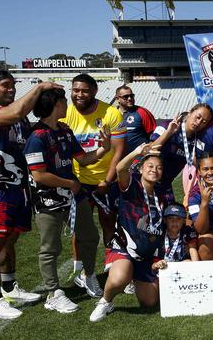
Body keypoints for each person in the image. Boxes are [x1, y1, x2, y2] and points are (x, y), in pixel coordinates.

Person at [24, 88, 111, 312]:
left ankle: (88, 275)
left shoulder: (64, 129)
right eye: (64, 100)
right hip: (48, 199)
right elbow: (39, 175)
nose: (67, 104)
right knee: (50, 247)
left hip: (73, 195)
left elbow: (83, 159)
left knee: (90, 236)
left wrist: (103, 148)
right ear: (55, 104)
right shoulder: (37, 136)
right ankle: (53, 292)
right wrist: (69, 183)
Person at [0, 70, 60, 319]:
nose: (11, 89)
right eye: (5, 85)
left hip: (18, 188)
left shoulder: (21, 118)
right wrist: (40, 88)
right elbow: (15, 112)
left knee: (10, 239)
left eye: (13, 85)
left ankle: (8, 287)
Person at [90, 143, 173, 322]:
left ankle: (136, 277)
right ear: (141, 169)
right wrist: (136, 152)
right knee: (120, 278)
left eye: (158, 168)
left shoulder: (163, 194)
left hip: (148, 255)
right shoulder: (131, 186)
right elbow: (120, 168)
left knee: (150, 302)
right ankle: (106, 301)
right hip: (124, 247)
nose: (154, 170)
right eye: (150, 166)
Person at [61, 73, 126, 283]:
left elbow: (118, 151)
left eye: (84, 91)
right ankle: (79, 267)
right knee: (79, 227)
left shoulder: (111, 113)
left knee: (109, 223)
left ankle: (110, 264)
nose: (79, 95)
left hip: (106, 180)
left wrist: (107, 180)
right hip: (78, 180)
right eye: (75, 90)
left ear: (94, 91)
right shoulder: (65, 113)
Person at [150, 103, 213, 187]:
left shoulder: (199, 140)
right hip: (148, 178)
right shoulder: (167, 125)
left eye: (204, 122)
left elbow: (199, 164)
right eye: (197, 117)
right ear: (190, 112)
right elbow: (150, 149)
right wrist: (168, 133)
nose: (198, 122)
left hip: (165, 184)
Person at [115, 85, 156, 156]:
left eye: (131, 96)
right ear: (117, 99)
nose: (130, 98)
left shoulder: (142, 112)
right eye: (125, 97)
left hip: (139, 158)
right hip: (119, 159)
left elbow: (154, 136)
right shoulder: (112, 114)